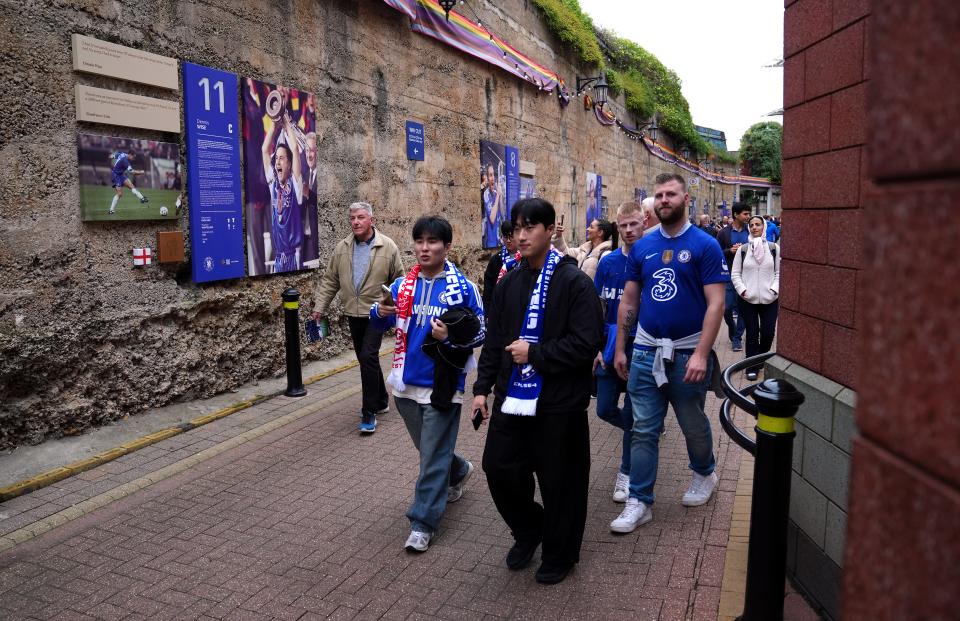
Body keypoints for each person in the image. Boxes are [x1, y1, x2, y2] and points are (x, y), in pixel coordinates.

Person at [473, 198, 604, 585]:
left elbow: (587, 343)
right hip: (512, 398)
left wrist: (536, 353)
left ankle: (560, 553)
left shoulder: (573, 281)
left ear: (550, 231)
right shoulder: (509, 281)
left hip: (558, 404)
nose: (523, 234)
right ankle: (531, 528)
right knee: (498, 468)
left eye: (532, 227)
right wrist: (481, 390)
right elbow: (495, 342)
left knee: (560, 482)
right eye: (517, 228)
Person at [611, 173, 727, 533]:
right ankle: (639, 501)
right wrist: (620, 346)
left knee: (691, 422)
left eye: (670, 194)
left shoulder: (705, 245)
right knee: (643, 427)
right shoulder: (643, 247)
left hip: (687, 351)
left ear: (685, 198)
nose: (664, 199)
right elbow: (629, 299)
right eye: (658, 194)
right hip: (645, 349)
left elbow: (716, 303)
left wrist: (701, 354)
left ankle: (704, 474)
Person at [371, 216, 484, 553]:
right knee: (430, 449)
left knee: (430, 456)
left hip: (443, 383)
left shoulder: (463, 288)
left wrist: (450, 336)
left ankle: (424, 521)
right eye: (419, 241)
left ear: (447, 247)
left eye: (432, 241)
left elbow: (481, 332)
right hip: (405, 381)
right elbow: (384, 321)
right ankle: (459, 468)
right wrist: (379, 312)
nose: (424, 247)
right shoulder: (403, 285)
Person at [311, 202, 404, 433]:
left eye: (361, 217)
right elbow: (331, 280)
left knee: (368, 355)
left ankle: (369, 411)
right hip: (353, 311)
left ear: (371, 220)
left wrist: (389, 305)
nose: (356, 222)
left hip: (376, 313)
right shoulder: (342, 248)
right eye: (352, 218)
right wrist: (319, 307)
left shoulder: (388, 246)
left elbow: (400, 280)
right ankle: (381, 399)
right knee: (366, 360)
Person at [593, 200, 645, 503]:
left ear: (644, 222)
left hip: (641, 347)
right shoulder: (608, 262)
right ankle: (643, 431)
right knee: (605, 408)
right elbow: (597, 307)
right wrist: (596, 348)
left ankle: (625, 471)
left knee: (635, 409)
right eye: (622, 225)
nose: (628, 230)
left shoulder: (652, 259)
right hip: (610, 348)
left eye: (633, 224)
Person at [731, 215, 781, 381]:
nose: (754, 227)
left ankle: (758, 361)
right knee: (752, 333)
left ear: (764, 227)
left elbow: (779, 273)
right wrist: (743, 291)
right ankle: (751, 367)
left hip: (770, 299)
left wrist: (774, 290)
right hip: (748, 299)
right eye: (751, 225)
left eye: (758, 224)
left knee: (768, 333)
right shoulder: (743, 249)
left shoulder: (774, 248)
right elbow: (735, 274)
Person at [262, 111, 304, 273]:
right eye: (276, 158)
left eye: (282, 158)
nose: (277, 161)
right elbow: (265, 150)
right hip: (279, 258)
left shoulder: (295, 185)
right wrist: (274, 124)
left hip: (295, 257)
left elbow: (294, 149)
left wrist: (286, 123)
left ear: (289, 163)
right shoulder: (273, 184)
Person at [717, 202, 751, 351]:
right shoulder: (724, 233)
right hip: (729, 275)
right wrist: (729, 251)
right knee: (726, 308)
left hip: (747, 275)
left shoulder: (751, 231)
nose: (748, 217)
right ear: (736, 215)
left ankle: (737, 338)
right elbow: (716, 254)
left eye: (749, 214)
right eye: (745, 214)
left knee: (744, 308)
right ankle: (732, 329)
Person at [482, 220, 520, 310]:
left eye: (511, 237)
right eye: (505, 237)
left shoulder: (526, 258)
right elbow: (488, 288)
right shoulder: (496, 260)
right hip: (500, 307)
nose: (508, 241)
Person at [107, 149, 149, 214]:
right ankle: (111, 210)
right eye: (133, 157)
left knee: (131, 186)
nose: (133, 158)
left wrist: (113, 162)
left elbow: (111, 156)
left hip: (121, 174)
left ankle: (142, 198)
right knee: (120, 194)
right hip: (116, 176)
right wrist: (141, 172)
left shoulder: (122, 154)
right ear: (130, 155)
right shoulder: (125, 161)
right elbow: (132, 172)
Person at [481, 164, 504, 249]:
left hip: (498, 240)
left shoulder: (495, 192)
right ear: (487, 178)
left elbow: (502, 213)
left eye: (493, 174)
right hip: (491, 242)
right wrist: (498, 196)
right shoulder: (486, 194)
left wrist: (500, 195)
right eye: (490, 175)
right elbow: (492, 219)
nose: (493, 178)